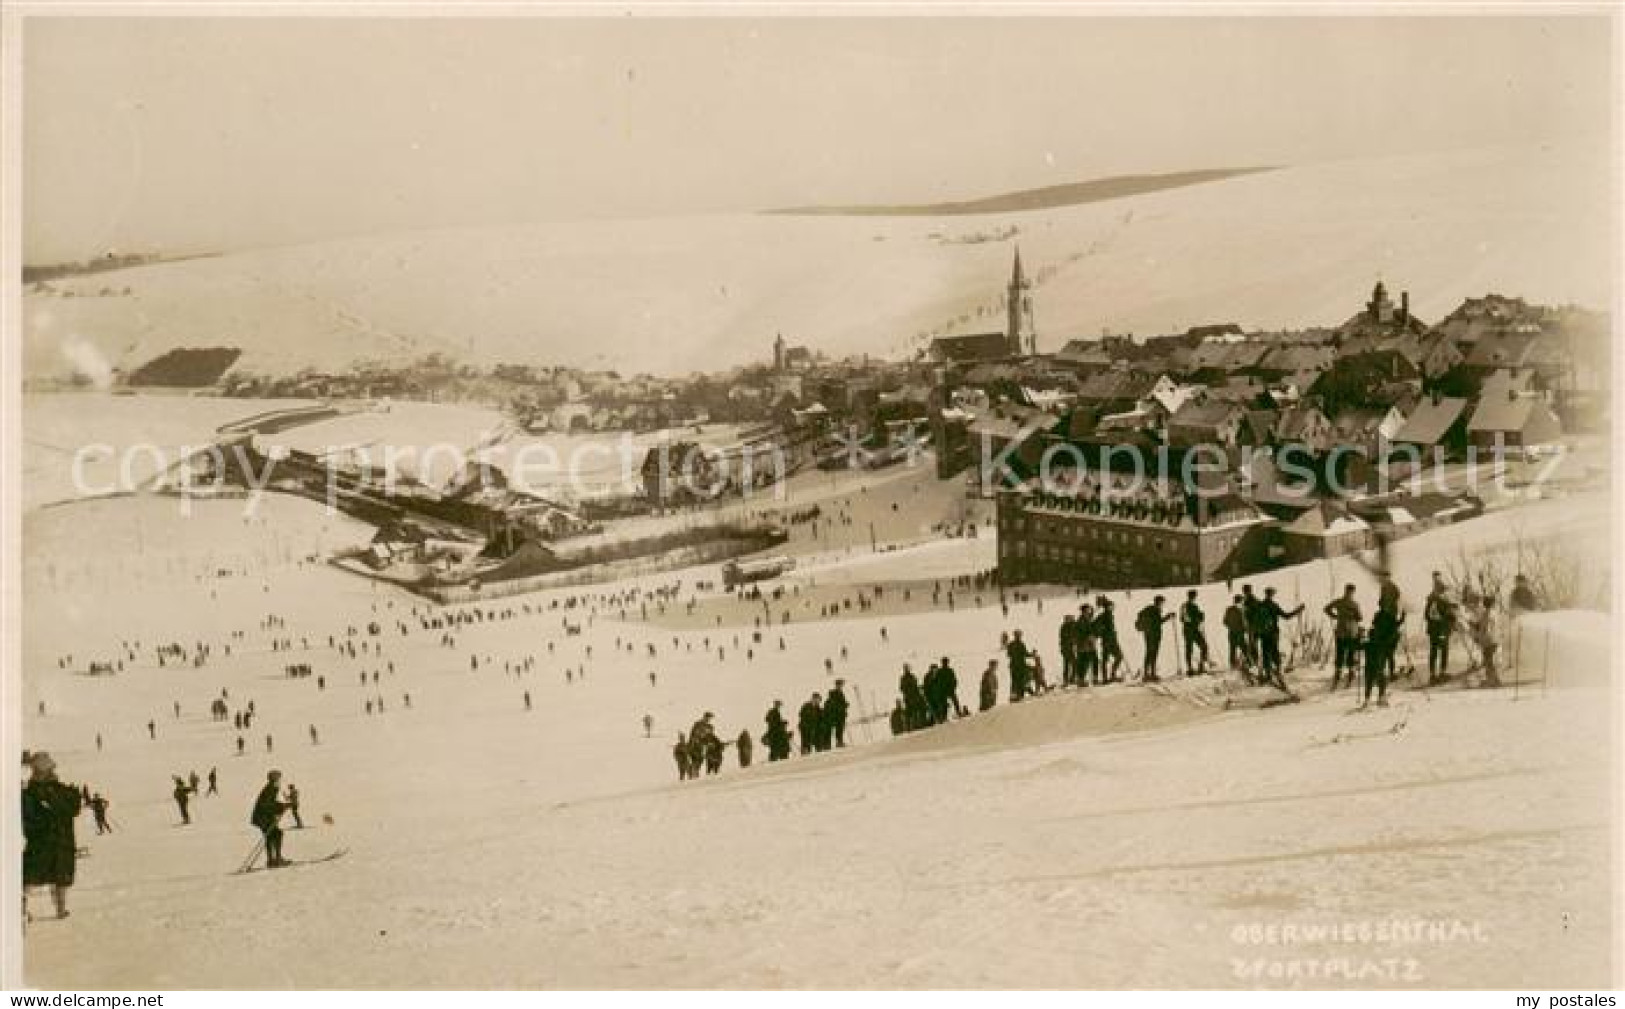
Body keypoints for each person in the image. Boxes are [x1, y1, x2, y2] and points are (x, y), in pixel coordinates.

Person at [22, 752, 81, 920]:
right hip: (44, 842)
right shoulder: (31, 794)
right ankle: (21, 909)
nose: (54, 771)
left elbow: (72, 808)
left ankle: (60, 909)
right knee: (29, 877)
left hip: (60, 842)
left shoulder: (57, 789)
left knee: (60, 877)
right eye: (50, 769)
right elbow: (31, 819)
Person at [1255, 587, 1304, 688]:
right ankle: (1278, 673)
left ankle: (1268, 674)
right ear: (1272, 594)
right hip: (1273, 633)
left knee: (1265, 653)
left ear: (1265, 594)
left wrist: (1256, 634)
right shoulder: (1274, 606)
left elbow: (1254, 621)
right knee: (1274, 653)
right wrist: (1298, 610)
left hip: (1263, 634)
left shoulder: (1260, 605)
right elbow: (1286, 616)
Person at [1324, 584, 1364, 690]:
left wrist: (1335, 616)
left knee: (1340, 653)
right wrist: (1351, 616)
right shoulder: (1355, 604)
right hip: (1351, 632)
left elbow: (1326, 608)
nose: (1350, 593)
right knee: (1350, 653)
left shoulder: (1339, 602)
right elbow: (1360, 618)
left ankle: (1338, 676)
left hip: (1341, 632)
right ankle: (1349, 675)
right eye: (1351, 592)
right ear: (1352, 592)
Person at [1362, 607, 1401, 708]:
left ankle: (1367, 700)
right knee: (1382, 680)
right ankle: (1381, 699)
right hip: (1379, 667)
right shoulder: (1382, 644)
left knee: (1369, 682)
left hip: (1368, 669)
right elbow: (1392, 635)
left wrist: (1359, 636)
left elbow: (1357, 646)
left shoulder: (1367, 644)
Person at [1423, 572, 1458, 686]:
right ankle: (1441, 673)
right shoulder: (1442, 600)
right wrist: (1452, 622)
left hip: (1434, 629)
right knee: (1443, 650)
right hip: (1441, 629)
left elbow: (1426, 615)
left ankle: (1433, 675)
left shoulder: (1431, 599)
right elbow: (1449, 615)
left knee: (1434, 651)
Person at [251, 771, 290, 868]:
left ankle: (272, 860)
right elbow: (266, 805)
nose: (279, 780)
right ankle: (276, 859)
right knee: (276, 834)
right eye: (278, 778)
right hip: (263, 817)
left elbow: (271, 802)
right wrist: (281, 807)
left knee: (272, 835)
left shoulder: (271, 788)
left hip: (263, 817)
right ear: (274, 779)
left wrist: (282, 805)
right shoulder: (271, 788)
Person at [1135, 596, 1174, 682]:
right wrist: (1168, 617)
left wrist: (1167, 617)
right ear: (1159, 602)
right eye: (1162, 602)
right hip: (1154, 635)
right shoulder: (1155, 610)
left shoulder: (1150, 609)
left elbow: (1157, 621)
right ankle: (1150, 674)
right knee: (1152, 654)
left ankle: (1148, 674)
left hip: (1149, 635)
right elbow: (1158, 621)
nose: (1162, 604)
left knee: (1149, 653)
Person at [1470, 593, 1502, 689]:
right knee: (1489, 660)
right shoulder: (1494, 613)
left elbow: (1485, 628)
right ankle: (1495, 679)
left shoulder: (1487, 614)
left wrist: (1478, 635)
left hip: (1488, 640)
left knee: (1488, 661)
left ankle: (1491, 680)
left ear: (1485, 604)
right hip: (1494, 639)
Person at [1180, 591, 1210, 674]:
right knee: (1193, 648)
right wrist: (1199, 617)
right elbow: (1185, 619)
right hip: (1190, 630)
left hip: (1192, 630)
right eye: (1193, 596)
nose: (1194, 598)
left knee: (1202, 646)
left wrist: (1200, 616)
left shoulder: (1191, 606)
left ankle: (1199, 665)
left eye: (1194, 596)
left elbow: (1184, 618)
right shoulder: (1187, 606)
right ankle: (1192, 667)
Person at [1094, 599, 1123, 682]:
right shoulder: (1104, 616)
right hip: (1108, 641)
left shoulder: (1108, 615)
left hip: (1110, 640)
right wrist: (1103, 632)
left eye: (1112, 606)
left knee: (1110, 658)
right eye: (1111, 606)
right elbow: (1096, 626)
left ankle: (1107, 677)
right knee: (1114, 657)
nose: (1112, 607)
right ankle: (1109, 676)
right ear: (1107, 607)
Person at [1223, 595, 1250, 676]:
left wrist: (1231, 627)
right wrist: (1246, 630)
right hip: (1240, 634)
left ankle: (1233, 665)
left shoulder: (1229, 609)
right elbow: (1244, 623)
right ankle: (1249, 663)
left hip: (1231, 633)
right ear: (1240, 601)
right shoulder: (1241, 610)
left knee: (1232, 649)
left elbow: (1225, 622)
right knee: (1245, 648)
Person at [1073, 604, 1099, 686]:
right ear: (1084, 611)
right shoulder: (1081, 621)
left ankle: (1093, 678)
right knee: (1085, 662)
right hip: (1084, 645)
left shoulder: (1087, 619)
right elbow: (1080, 633)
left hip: (1089, 644)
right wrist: (1089, 637)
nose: (1089, 611)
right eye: (1087, 610)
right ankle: (1082, 680)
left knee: (1094, 660)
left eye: (1089, 610)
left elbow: (1092, 627)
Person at [1005, 630, 1032, 701]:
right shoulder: (1021, 644)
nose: (1019, 637)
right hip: (1020, 665)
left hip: (1013, 665)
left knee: (1014, 681)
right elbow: (1025, 654)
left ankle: (1014, 695)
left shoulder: (1011, 644)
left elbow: (1008, 655)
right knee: (1020, 681)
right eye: (1019, 635)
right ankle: (1019, 695)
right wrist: (1032, 654)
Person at [824, 680, 850, 747]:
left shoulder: (840, 693)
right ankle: (828, 744)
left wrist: (845, 705)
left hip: (840, 715)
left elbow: (841, 703)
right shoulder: (834, 694)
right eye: (839, 685)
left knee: (840, 729)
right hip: (834, 715)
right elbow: (835, 704)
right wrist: (843, 705)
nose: (840, 686)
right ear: (836, 685)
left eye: (841, 685)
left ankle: (839, 742)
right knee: (830, 730)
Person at [1058, 614, 1078, 686]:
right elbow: (1066, 638)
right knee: (1070, 664)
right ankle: (1068, 679)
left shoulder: (1068, 626)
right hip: (1066, 649)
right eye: (1071, 619)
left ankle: (1069, 679)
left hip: (1067, 648)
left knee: (1069, 664)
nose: (1072, 620)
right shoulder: (1065, 627)